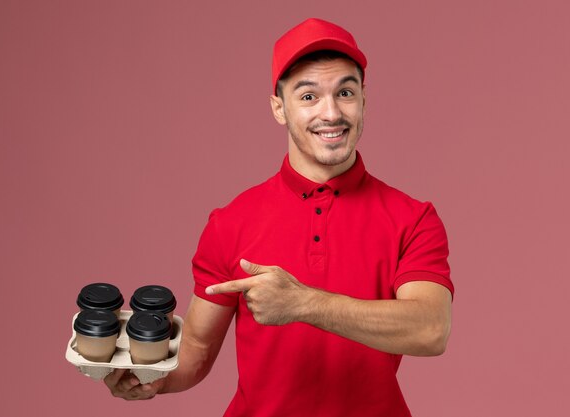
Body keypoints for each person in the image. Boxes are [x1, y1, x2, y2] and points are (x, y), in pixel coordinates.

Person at [105, 17, 454, 417]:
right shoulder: (231, 222)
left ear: (364, 100)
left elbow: (430, 329)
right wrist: (149, 380)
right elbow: (198, 350)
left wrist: (304, 303)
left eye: (345, 92)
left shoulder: (413, 218)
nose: (331, 112)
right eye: (308, 97)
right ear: (278, 108)